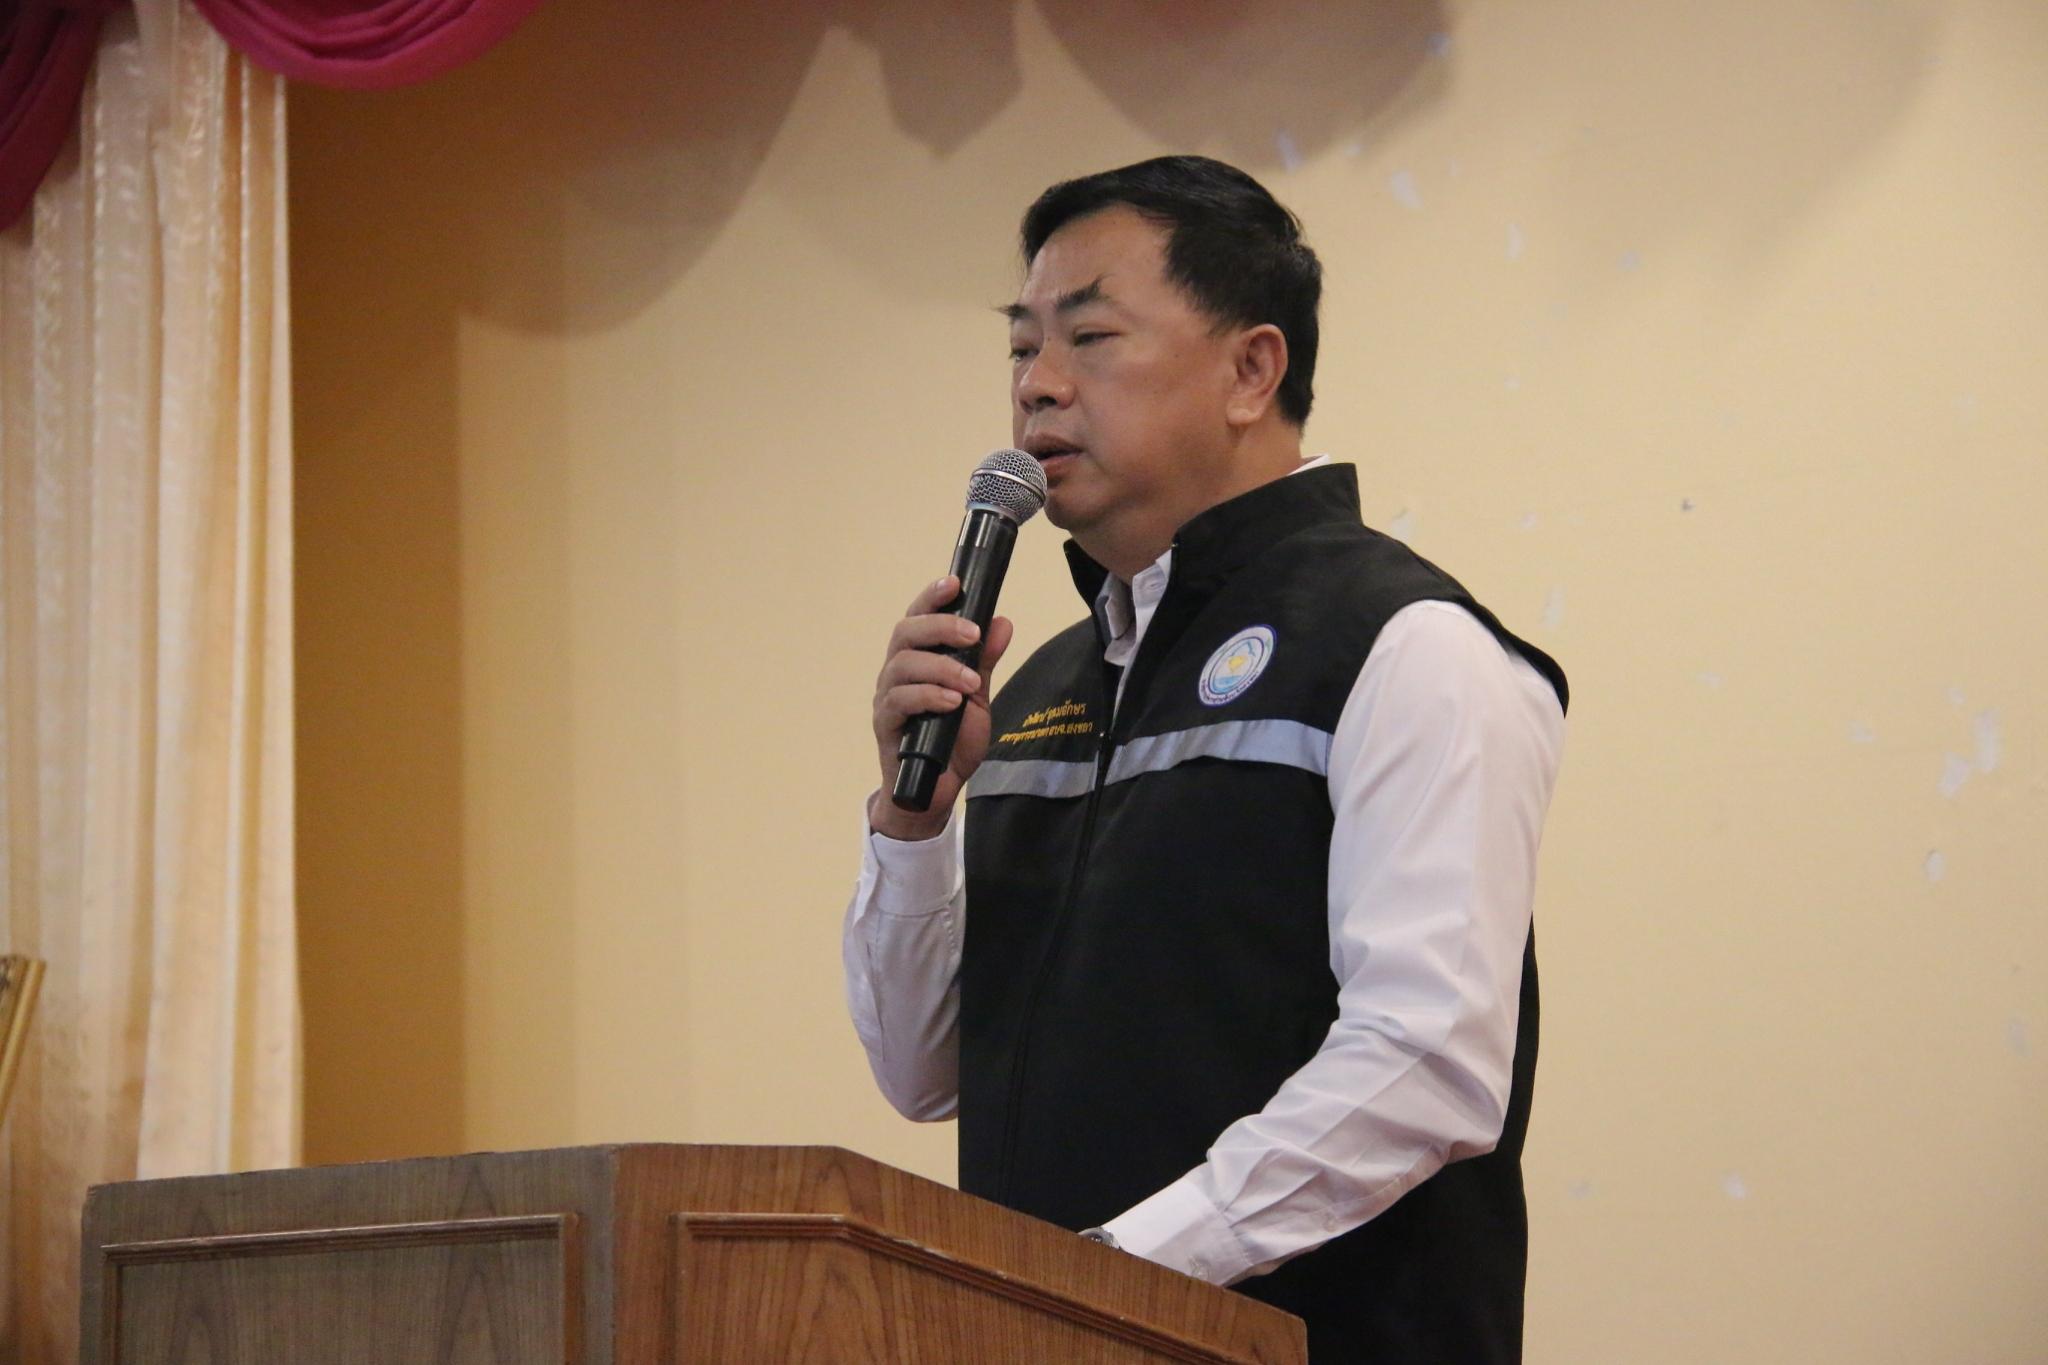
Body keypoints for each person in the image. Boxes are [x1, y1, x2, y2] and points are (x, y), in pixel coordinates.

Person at [842, 155, 1568, 1363]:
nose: (1036, 384)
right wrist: (909, 823)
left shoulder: (1403, 644)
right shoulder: (1037, 689)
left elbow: (1427, 1061)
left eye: (1090, 336)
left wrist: (1115, 1274)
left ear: (1250, 371)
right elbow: (923, 1072)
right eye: (1020, 345)